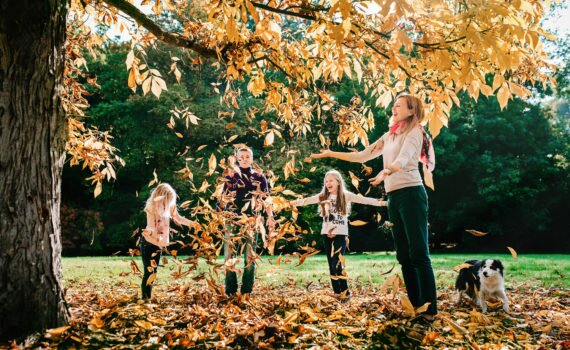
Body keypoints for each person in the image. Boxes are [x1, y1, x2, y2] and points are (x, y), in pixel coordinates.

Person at [311, 93, 438, 321]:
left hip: (411, 194)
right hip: (394, 197)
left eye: (399, 105)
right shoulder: (389, 135)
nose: (394, 108)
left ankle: (429, 310)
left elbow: (405, 158)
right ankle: (416, 306)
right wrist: (331, 153)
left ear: (411, 111)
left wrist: (386, 171)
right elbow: (362, 156)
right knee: (403, 255)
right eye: (394, 104)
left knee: (419, 253)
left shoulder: (415, 131)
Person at [290, 170, 386, 298]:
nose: (328, 183)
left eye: (331, 180)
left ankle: (345, 292)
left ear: (338, 182)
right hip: (326, 234)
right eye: (326, 181)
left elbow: (364, 200)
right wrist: (295, 203)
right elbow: (308, 200)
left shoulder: (345, 195)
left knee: (337, 263)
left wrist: (381, 203)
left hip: (340, 234)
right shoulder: (323, 196)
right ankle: (337, 293)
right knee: (331, 265)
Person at [219, 147, 275, 297]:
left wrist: (270, 217)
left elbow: (266, 199)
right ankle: (230, 290)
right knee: (229, 255)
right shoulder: (231, 176)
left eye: (247, 156)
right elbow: (223, 198)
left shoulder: (259, 176)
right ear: (237, 158)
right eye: (241, 157)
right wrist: (219, 212)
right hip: (232, 219)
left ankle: (246, 290)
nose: (244, 159)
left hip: (252, 220)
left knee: (250, 256)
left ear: (251, 158)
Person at [140, 183, 195, 300]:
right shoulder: (151, 208)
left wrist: (192, 224)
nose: (170, 202)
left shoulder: (169, 206)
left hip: (158, 245)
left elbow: (178, 218)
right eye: (168, 199)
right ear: (161, 197)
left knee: (153, 272)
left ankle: (147, 297)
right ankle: (145, 299)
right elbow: (151, 226)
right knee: (149, 272)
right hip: (148, 243)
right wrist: (151, 233)